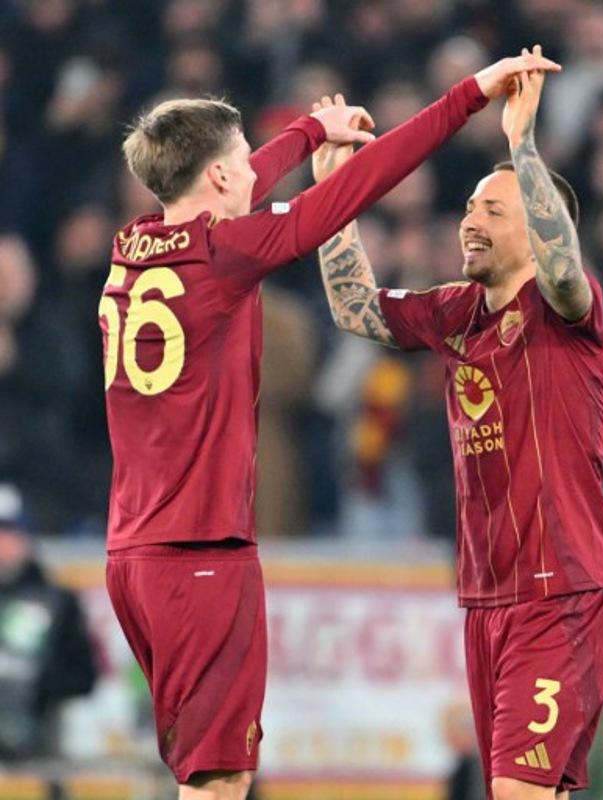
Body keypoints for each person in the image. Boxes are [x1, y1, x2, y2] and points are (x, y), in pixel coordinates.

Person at [101, 50, 559, 800]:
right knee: (218, 783)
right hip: (198, 555)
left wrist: (313, 130)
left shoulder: (132, 248)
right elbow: (363, 184)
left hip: (134, 553)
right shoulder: (226, 255)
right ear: (217, 177)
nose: (254, 169)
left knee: (205, 772)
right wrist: (470, 94)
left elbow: (235, 190)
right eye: (244, 160)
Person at [311, 47, 603, 800]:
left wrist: (521, 146)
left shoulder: (565, 308)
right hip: (490, 593)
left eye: (493, 209)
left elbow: (562, 268)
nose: (470, 220)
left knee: (516, 792)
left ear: (540, 227)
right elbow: (355, 309)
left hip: (564, 588)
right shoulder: (453, 313)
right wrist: (333, 199)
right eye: (469, 208)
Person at [0, 482, 97, 761]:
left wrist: (34, 682)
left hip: (35, 749)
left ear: (26, 537)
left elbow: (84, 676)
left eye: (9, 532)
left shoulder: (57, 600)